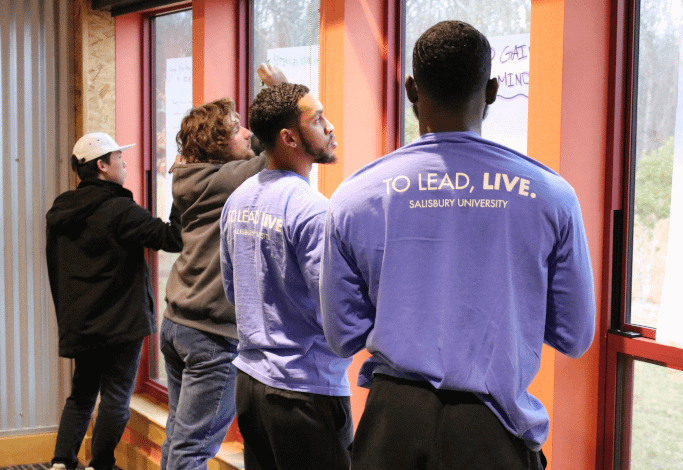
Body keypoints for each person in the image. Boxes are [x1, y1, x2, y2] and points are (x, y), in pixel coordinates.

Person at [320, 20, 596, 470]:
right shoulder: (551, 195)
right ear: (490, 90)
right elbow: (575, 334)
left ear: (411, 89)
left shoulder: (354, 197)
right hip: (494, 431)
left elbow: (341, 336)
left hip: (392, 430)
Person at [219, 82, 352, 470]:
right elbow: (336, 312)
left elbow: (233, 290)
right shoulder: (312, 210)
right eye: (318, 119)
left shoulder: (238, 199)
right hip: (303, 390)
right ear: (289, 137)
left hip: (251, 385)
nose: (329, 127)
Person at [160, 64, 286, 470]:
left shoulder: (185, 178)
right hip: (211, 336)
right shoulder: (226, 180)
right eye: (236, 129)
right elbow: (281, 148)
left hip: (178, 321)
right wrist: (283, 92)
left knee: (179, 437)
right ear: (216, 146)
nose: (247, 133)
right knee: (193, 449)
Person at [46, 132, 183, 470]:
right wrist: (180, 187)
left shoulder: (61, 209)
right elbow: (172, 238)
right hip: (121, 323)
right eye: (119, 158)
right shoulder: (120, 209)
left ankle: (62, 462)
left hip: (80, 321)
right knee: (116, 397)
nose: (125, 163)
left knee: (81, 394)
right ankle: (100, 464)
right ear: (103, 166)